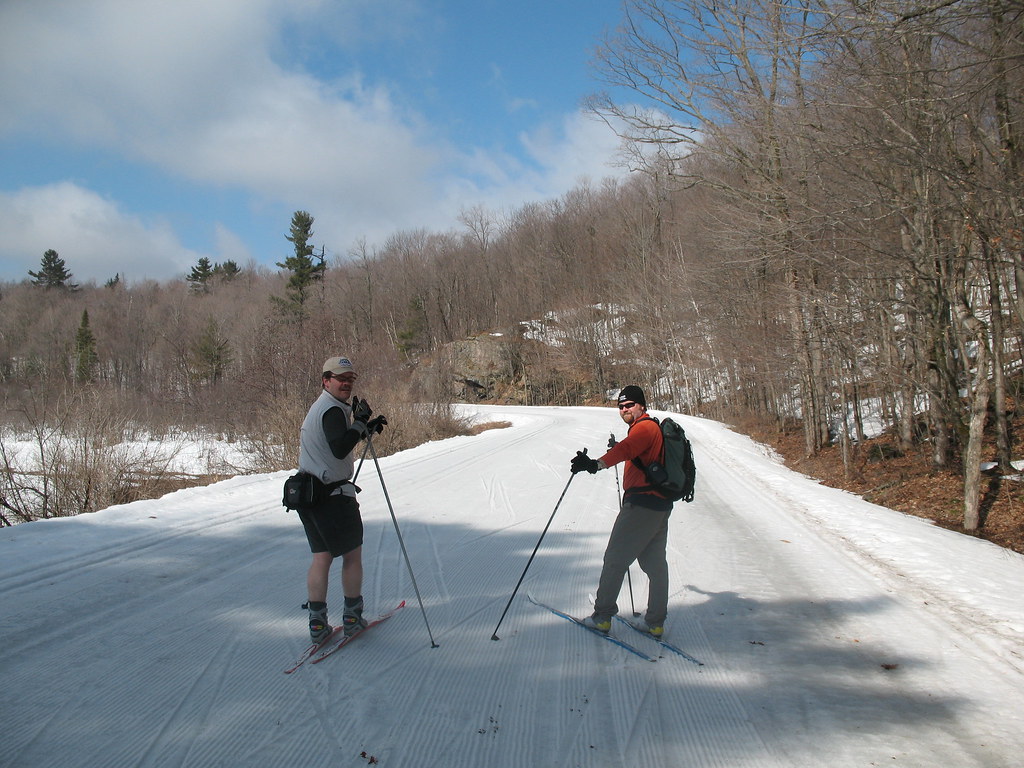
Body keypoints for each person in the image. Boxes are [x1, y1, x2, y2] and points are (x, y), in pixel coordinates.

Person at [569, 385, 673, 637]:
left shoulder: (645, 427)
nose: (625, 409)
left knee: (615, 559)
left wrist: (596, 463)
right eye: (621, 406)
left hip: (641, 505)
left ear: (642, 406)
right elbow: (633, 450)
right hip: (658, 505)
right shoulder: (647, 429)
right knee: (654, 564)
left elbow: (627, 450)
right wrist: (621, 446)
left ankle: (602, 617)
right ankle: (655, 623)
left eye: (629, 405)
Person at [297, 355, 386, 643]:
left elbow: (334, 442)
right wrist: (359, 424)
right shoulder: (332, 410)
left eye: (350, 379)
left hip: (308, 494)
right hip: (331, 496)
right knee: (351, 556)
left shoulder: (322, 407)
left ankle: (318, 624)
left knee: (321, 557)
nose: (346, 384)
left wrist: (363, 428)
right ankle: (352, 618)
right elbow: (338, 448)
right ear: (326, 380)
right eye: (340, 379)